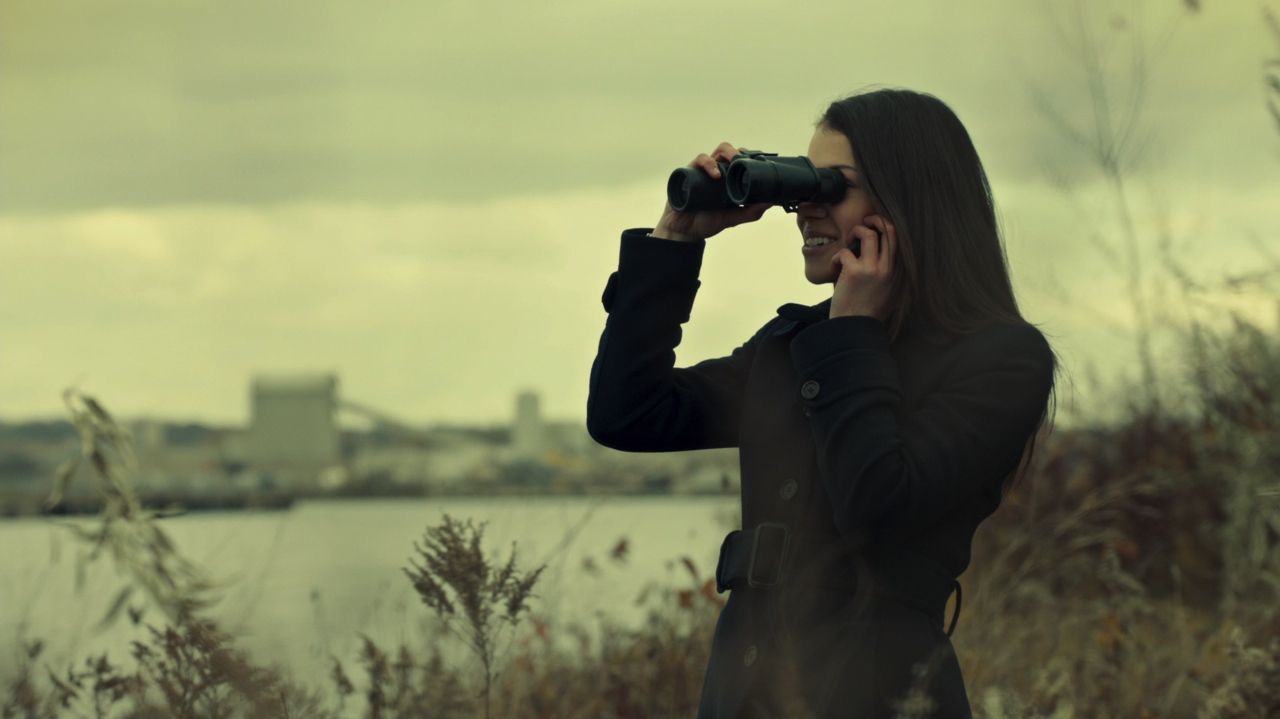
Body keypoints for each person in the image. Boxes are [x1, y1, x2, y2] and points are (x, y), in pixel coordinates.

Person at [586, 87, 1059, 718]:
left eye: (831, 187)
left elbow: (877, 503)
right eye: (801, 186)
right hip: (743, 692)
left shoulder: (1000, 359)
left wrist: (851, 333)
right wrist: (676, 238)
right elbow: (627, 413)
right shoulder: (792, 347)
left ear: (906, 199)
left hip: (878, 695)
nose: (804, 210)